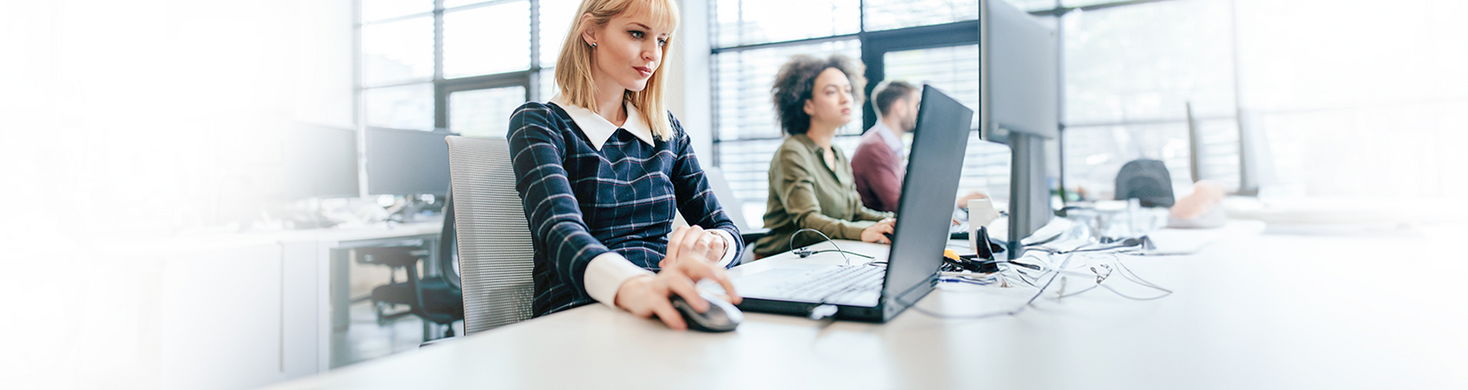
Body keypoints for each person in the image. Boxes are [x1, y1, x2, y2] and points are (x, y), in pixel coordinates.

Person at [506, 0, 741, 330]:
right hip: (578, 310)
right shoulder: (540, 123)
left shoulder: (666, 131)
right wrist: (635, 286)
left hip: (663, 299)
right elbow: (559, 232)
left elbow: (728, 230)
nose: (653, 55)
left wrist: (713, 246)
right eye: (636, 34)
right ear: (590, 32)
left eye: (661, 40)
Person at [753, 54, 896, 258]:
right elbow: (808, 221)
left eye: (847, 90)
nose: (845, 98)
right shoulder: (793, 151)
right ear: (807, 105)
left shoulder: (837, 153)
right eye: (831, 92)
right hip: (784, 258)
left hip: (827, 254)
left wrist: (894, 221)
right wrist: (863, 232)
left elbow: (856, 212)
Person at [852, 79, 990, 214]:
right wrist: (958, 203)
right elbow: (898, 204)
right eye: (916, 105)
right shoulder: (875, 148)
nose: (919, 113)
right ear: (900, 107)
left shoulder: (887, 144)